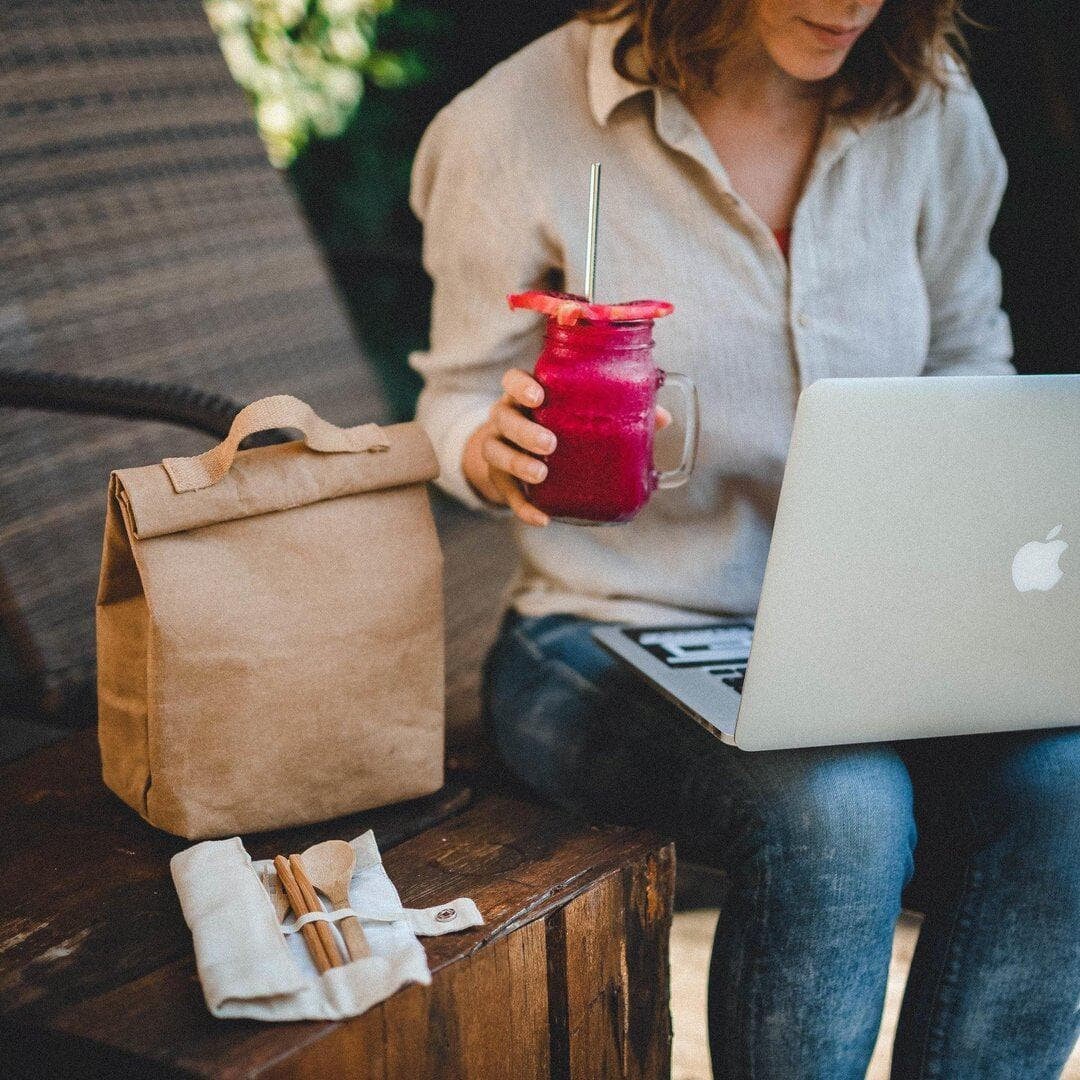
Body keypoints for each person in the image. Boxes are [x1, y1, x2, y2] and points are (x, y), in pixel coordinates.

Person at [408, 2, 1080, 1076]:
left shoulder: (934, 110)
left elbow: (967, 354)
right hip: (602, 634)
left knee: (1067, 783)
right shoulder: (516, 121)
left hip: (867, 647)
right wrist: (490, 448)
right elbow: (452, 402)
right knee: (840, 808)